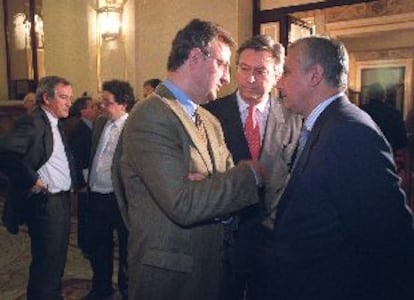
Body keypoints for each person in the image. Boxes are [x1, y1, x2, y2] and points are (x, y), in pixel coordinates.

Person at [119, 18, 264, 300]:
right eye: (222, 64)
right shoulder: (151, 114)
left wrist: (211, 189)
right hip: (169, 278)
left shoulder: (210, 120)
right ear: (195, 56)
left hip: (212, 269)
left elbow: (218, 193)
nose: (226, 78)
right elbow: (184, 204)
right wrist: (250, 175)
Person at [266, 36, 414, 300]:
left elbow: (388, 237)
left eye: (287, 71)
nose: (279, 82)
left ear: (315, 75)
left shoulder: (349, 131)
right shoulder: (326, 124)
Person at [204, 35, 301, 300]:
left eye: (260, 71)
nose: (250, 79)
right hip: (222, 239)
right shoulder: (208, 114)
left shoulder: (294, 119)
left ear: (278, 74)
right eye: (244, 69)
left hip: (272, 241)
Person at [0, 76, 76, 300]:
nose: (68, 102)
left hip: (60, 202)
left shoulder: (55, 122)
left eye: (70, 98)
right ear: (46, 98)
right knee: (47, 264)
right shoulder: (33, 121)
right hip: (46, 205)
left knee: (55, 262)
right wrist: (32, 180)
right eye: (63, 97)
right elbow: (6, 153)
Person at [83, 80, 134, 300]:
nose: (102, 106)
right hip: (97, 195)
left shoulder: (134, 127)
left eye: (107, 102)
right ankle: (101, 288)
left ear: (123, 104)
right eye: (101, 101)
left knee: (126, 248)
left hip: (121, 198)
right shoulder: (100, 123)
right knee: (99, 246)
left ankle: (127, 290)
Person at [67, 95, 99, 255]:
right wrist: (80, 183)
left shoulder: (92, 126)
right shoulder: (79, 130)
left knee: (91, 212)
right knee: (85, 213)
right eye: (92, 107)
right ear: (83, 111)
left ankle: (91, 241)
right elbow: (76, 159)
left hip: (92, 177)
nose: (96, 109)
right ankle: (85, 245)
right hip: (84, 179)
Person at [361, 82, 408, 152]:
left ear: (368, 95)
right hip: (387, 155)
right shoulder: (394, 113)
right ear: (384, 96)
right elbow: (402, 141)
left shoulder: (360, 112)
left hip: (365, 154)